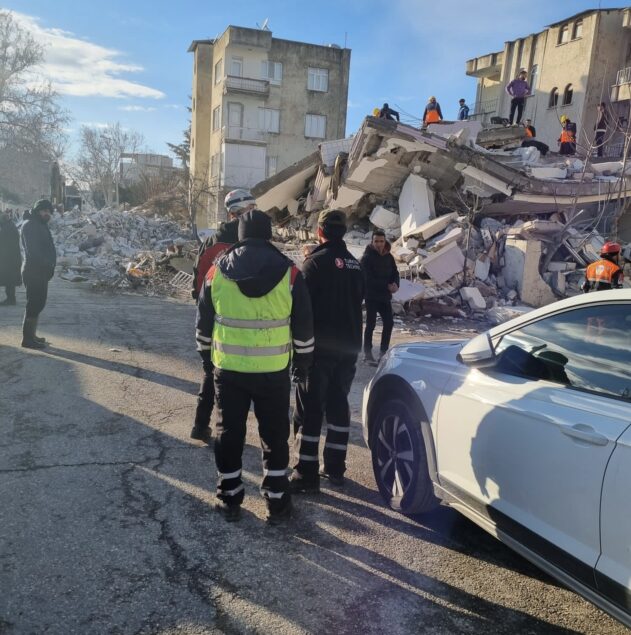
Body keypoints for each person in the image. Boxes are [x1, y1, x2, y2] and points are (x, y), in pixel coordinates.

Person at [196, 209, 313, 523]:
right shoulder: (290, 274)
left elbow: (203, 324)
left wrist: (206, 359)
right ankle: (277, 501)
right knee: (274, 435)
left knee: (228, 432)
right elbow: (303, 327)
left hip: (228, 371)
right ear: (269, 235)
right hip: (272, 372)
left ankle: (229, 497)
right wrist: (303, 364)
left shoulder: (216, 272)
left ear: (240, 236)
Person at [290, 209, 365, 493]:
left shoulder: (314, 264)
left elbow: (301, 310)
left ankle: (305, 473)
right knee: (338, 405)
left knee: (310, 408)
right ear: (342, 232)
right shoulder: (356, 265)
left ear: (320, 232)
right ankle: (335, 468)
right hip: (348, 348)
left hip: (319, 349)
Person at [190, 188, 256, 444]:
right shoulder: (226, 244)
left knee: (213, 372)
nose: (251, 217)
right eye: (248, 212)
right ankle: (212, 427)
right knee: (220, 374)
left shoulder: (214, 243)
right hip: (232, 321)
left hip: (217, 320)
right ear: (234, 214)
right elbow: (200, 284)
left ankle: (201, 424)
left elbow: (198, 287)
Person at [20, 199, 56, 349]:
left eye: (49, 211)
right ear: (37, 211)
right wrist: (47, 263)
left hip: (41, 271)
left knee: (39, 303)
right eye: (43, 210)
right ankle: (27, 340)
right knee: (34, 304)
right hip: (34, 270)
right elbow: (33, 251)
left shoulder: (41, 224)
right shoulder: (30, 225)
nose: (46, 213)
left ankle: (32, 335)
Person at [360, 229, 399, 363]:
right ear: (372, 241)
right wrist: (386, 285)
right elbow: (368, 279)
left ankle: (383, 351)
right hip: (371, 296)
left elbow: (395, 272)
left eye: (381, 241)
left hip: (385, 297)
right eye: (376, 241)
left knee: (389, 323)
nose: (379, 244)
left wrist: (395, 284)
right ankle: (367, 353)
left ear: (385, 241)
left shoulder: (389, 257)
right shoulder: (366, 258)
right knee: (370, 325)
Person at [0, 210, 22, 306]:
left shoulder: (7, 228)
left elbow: (4, 243)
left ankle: (11, 299)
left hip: (9, 258)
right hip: (11, 258)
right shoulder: (10, 226)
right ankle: (10, 299)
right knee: (9, 280)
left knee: (9, 280)